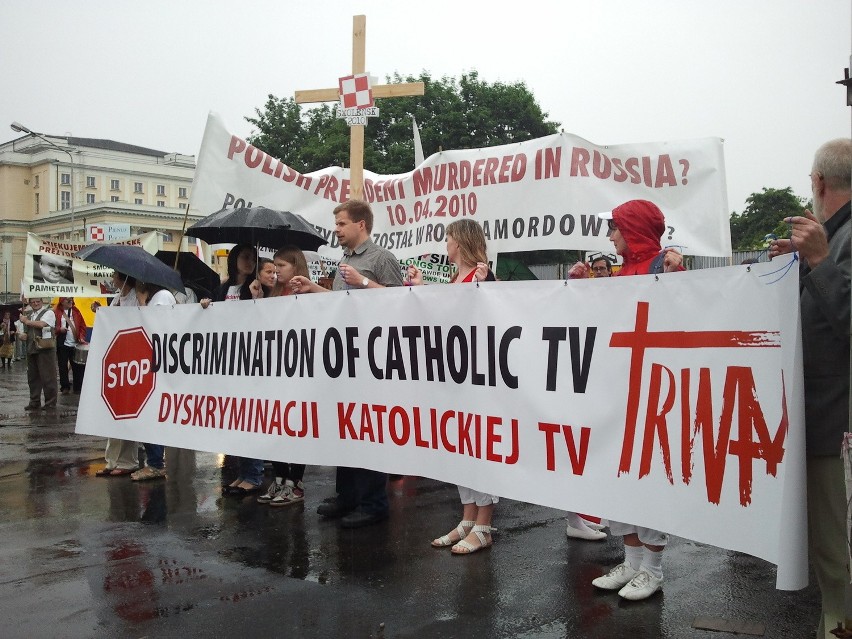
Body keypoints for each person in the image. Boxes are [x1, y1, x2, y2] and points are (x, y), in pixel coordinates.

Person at [769, 138, 852, 639]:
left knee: (835, 548)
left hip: (837, 424)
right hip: (821, 417)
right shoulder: (831, 237)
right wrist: (802, 262)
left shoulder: (837, 242)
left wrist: (819, 262)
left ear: (818, 183)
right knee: (826, 547)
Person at [589, 199, 683, 601]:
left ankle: (653, 569)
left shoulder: (664, 267)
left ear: (634, 229)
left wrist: (676, 269)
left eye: (615, 228)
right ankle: (631, 561)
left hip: (653, 395)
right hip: (617, 389)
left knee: (649, 479)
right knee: (617, 478)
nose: (610, 236)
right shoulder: (620, 271)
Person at [290, 199, 404, 527]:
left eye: (341, 223)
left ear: (360, 225)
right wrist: (311, 287)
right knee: (347, 426)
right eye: (336, 223)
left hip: (372, 359)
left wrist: (363, 281)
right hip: (345, 358)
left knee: (368, 428)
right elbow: (342, 303)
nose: (336, 229)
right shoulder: (344, 261)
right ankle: (348, 495)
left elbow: (400, 303)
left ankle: (373, 501)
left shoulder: (381, 258)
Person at [407, 219, 500, 554]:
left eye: (447, 238)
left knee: (478, 446)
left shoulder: (481, 274)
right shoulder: (455, 277)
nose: (444, 244)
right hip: (455, 373)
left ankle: (484, 523)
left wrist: (484, 284)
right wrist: (419, 288)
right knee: (461, 446)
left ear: (459, 242)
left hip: (476, 375)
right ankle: (468, 518)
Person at [202, 244, 266, 496]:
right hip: (229, 364)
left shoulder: (257, 287)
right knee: (236, 421)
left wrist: (257, 297)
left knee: (251, 419)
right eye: (245, 257)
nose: (249, 262)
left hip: (250, 361)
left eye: (253, 258)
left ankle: (254, 474)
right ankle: (242, 473)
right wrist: (207, 305)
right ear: (234, 259)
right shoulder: (223, 288)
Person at [129, 282, 177, 482]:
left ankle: (156, 463)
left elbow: (157, 326)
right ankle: (153, 461)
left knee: (152, 413)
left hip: (160, 364)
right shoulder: (151, 298)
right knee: (145, 413)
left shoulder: (163, 296)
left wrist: (142, 302)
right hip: (147, 362)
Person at [96, 271, 141, 477]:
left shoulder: (136, 298)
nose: (112, 279)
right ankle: (111, 460)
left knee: (127, 414)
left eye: (115, 276)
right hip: (115, 361)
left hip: (131, 360)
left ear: (123, 279)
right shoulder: (116, 299)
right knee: (112, 413)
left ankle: (128, 460)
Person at [19, 298, 58, 410]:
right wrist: (23, 335)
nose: (35, 304)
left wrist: (26, 321)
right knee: (32, 377)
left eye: (38, 301)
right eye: (33, 302)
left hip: (45, 349)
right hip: (32, 348)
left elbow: (42, 324)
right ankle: (34, 401)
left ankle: (50, 403)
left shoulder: (49, 312)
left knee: (48, 377)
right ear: (30, 303)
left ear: (42, 302)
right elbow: (26, 331)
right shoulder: (29, 314)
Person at [53, 298, 88, 394]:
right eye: (68, 300)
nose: (70, 302)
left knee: (77, 366)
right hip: (62, 343)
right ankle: (65, 387)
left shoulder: (76, 312)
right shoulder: (56, 312)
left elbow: (82, 326)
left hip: (75, 344)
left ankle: (78, 387)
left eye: (71, 300)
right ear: (62, 301)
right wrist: (59, 329)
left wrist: (81, 337)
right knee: (62, 366)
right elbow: (52, 326)